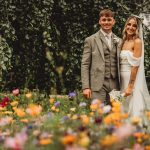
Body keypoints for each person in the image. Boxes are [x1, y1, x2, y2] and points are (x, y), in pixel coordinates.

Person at [81, 9, 121, 104]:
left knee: (116, 113)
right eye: (104, 20)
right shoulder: (90, 40)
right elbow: (85, 64)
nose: (106, 22)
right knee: (98, 113)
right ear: (99, 21)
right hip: (98, 83)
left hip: (116, 83)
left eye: (109, 20)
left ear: (113, 22)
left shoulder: (119, 41)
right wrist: (86, 87)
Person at [120, 15, 150, 125]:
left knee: (133, 108)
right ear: (125, 25)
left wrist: (130, 86)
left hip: (131, 80)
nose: (131, 27)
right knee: (124, 107)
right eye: (129, 24)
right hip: (121, 80)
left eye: (134, 26)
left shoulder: (137, 42)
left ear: (137, 28)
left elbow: (135, 66)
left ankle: (136, 134)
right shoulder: (123, 41)